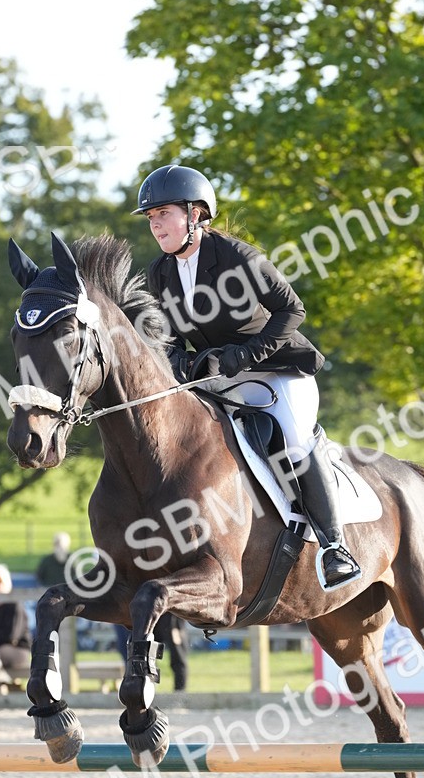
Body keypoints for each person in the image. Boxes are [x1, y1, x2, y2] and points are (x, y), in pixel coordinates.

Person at [133, 163, 362, 591]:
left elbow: (292, 311)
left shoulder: (237, 257)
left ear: (196, 214)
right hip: (218, 381)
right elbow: (165, 338)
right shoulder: (160, 273)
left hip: (278, 371)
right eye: (151, 217)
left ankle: (335, 547)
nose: (156, 224)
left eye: (164, 213)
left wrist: (242, 356)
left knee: (293, 440)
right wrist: (179, 362)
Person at [111, 617, 188, 691]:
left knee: (178, 656)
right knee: (148, 658)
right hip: (153, 616)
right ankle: (149, 690)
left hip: (172, 616)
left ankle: (180, 691)